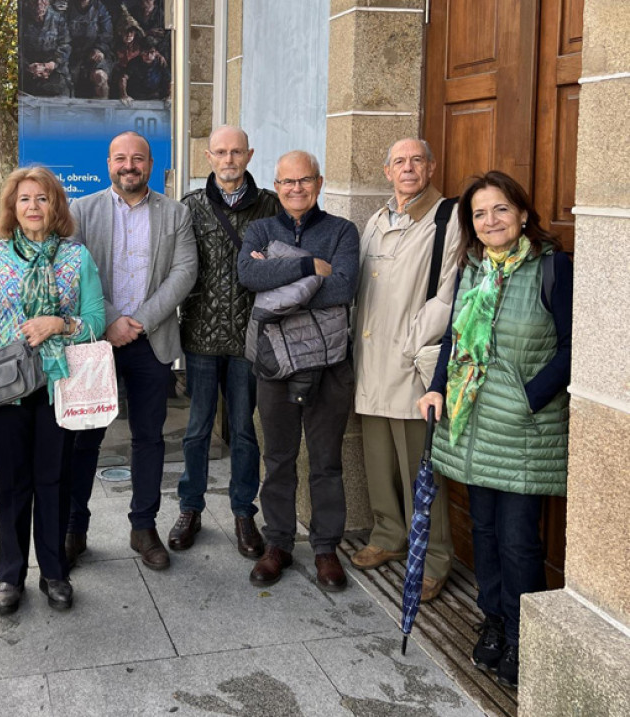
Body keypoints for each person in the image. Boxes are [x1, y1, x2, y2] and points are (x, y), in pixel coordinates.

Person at [418, 170, 572, 689]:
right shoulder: (472, 269)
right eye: (480, 214)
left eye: (500, 210)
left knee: (518, 541)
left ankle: (525, 636)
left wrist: (530, 398)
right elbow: (456, 340)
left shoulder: (553, 269)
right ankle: (496, 622)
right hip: (471, 425)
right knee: (483, 534)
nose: (490, 221)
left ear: (523, 213)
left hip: (524, 430)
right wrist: (437, 386)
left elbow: (575, 350)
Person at [0, 167, 105, 615]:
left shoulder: (76, 259)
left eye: (42, 199)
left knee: (54, 481)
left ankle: (54, 571)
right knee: (11, 485)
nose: (33, 207)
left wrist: (60, 323)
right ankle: (9, 574)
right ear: (12, 208)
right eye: (24, 200)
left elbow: (96, 321)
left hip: (60, 386)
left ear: (55, 205)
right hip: (5, 389)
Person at [66, 131, 197, 571]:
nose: (129, 166)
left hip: (151, 340)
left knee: (149, 439)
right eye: (120, 158)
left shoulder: (175, 214)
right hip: (95, 342)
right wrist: (110, 320)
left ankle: (143, 527)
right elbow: (74, 272)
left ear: (150, 163)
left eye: (137, 158)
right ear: (108, 164)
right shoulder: (81, 212)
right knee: (84, 440)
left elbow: (184, 272)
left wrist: (138, 321)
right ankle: (74, 529)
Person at [237, 151, 359, 590]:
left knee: (326, 461)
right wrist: (309, 266)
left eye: (304, 181)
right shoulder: (261, 228)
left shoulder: (342, 231)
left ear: (319, 182)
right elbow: (249, 275)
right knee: (279, 458)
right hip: (276, 363)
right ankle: (279, 544)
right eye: (286, 182)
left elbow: (343, 286)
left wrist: (279, 270)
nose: (295, 189)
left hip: (329, 364)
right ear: (276, 185)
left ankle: (326, 547)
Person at [351, 138, 458, 602]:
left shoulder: (446, 218)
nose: (408, 168)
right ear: (387, 170)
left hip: (412, 362)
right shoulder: (376, 220)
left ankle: (435, 557)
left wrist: (413, 341)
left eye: (417, 160)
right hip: (370, 362)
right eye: (399, 162)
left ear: (431, 167)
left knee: (422, 468)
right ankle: (388, 534)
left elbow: (449, 294)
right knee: (377, 459)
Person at [171, 125, 280, 557]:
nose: (229, 159)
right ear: (209, 158)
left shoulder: (271, 206)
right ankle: (190, 507)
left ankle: (242, 512)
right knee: (196, 430)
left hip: (249, 338)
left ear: (249, 155)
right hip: (199, 336)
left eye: (236, 151)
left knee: (244, 432)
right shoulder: (190, 207)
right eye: (221, 152)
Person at [20, 0, 72, 97]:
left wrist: (51, 64)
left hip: (55, 71)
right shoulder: (21, 19)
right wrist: (28, 66)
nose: (39, 3)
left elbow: (65, 45)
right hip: (29, 72)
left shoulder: (58, 18)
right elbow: (17, 49)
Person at [66, 0, 113, 98]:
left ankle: (102, 110)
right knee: (66, 81)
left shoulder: (100, 8)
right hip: (71, 55)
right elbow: (61, 33)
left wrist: (99, 48)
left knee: (101, 76)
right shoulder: (67, 7)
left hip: (93, 53)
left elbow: (107, 33)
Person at [119, 36, 170, 102]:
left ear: (156, 52)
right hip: (136, 99)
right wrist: (124, 95)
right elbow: (123, 78)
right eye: (145, 52)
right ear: (140, 52)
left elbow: (169, 81)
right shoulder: (133, 63)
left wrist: (170, 96)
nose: (148, 56)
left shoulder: (161, 63)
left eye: (152, 52)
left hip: (156, 99)